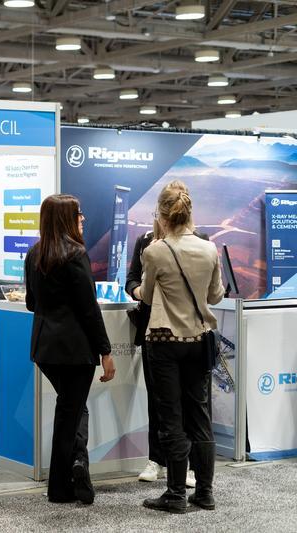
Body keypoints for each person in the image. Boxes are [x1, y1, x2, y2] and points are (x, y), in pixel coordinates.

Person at [24, 194, 115, 505]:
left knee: (71, 411)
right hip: (75, 351)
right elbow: (89, 309)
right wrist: (106, 351)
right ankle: (60, 488)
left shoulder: (34, 254)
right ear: (66, 218)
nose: (84, 218)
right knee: (69, 414)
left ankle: (74, 472)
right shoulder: (75, 254)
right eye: (79, 213)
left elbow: (31, 303)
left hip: (45, 350)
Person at [140, 185, 224, 514]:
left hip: (163, 342)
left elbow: (146, 296)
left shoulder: (155, 251)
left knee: (171, 417)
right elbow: (216, 297)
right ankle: (204, 492)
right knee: (200, 417)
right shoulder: (209, 249)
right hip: (199, 340)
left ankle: (175, 494)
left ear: (161, 216)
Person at [127, 180, 202, 488]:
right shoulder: (146, 242)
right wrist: (137, 290)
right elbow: (132, 279)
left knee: (187, 403)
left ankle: (187, 467)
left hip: (187, 332)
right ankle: (156, 459)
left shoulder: (200, 243)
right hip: (153, 330)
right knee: (159, 399)